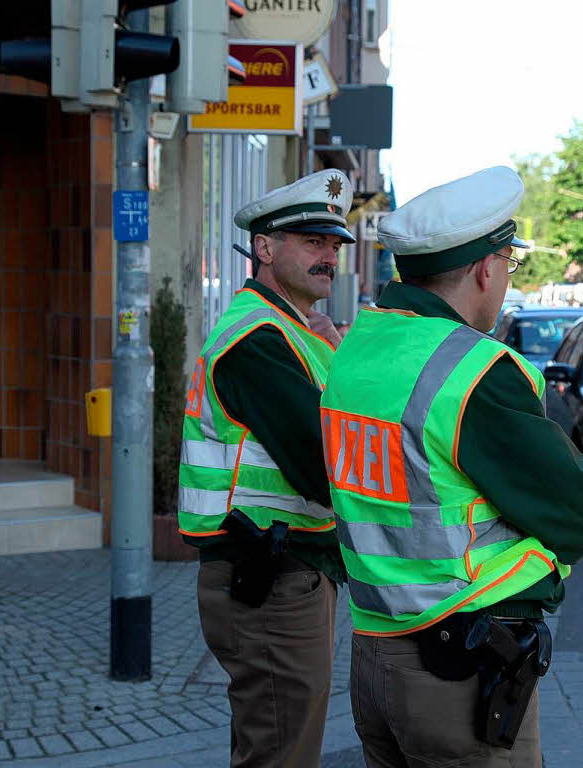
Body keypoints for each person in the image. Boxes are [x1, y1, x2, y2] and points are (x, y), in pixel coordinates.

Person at [319, 166, 583, 767]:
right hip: (459, 669)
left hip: (374, 652)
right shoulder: (474, 369)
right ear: (486, 268)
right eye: (511, 266)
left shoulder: (357, 348)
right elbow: (575, 514)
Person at [178, 169, 354, 768]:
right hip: (270, 576)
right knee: (282, 752)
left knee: (275, 742)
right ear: (264, 247)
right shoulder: (258, 338)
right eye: (312, 241)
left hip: (285, 571)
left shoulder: (296, 331)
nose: (328, 255)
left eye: (333, 244)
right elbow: (327, 463)